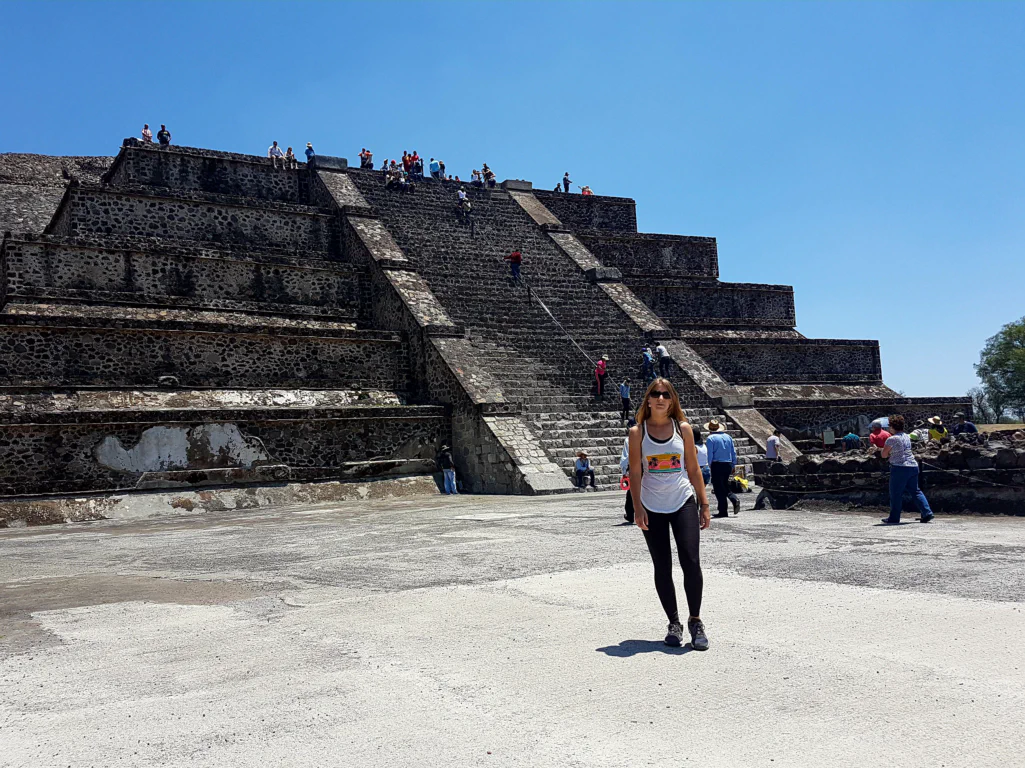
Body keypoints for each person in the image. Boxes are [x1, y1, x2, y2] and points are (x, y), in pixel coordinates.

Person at [628, 377, 711, 650]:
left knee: (691, 561)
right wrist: (637, 508)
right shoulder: (637, 433)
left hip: (683, 500)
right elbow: (636, 472)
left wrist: (705, 503)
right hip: (652, 505)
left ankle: (695, 621)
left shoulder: (683, 429)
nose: (661, 398)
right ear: (648, 400)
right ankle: (673, 623)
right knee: (662, 566)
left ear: (672, 400)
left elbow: (693, 468)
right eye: (656, 394)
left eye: (666, 394)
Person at [881, 414, 934, 524]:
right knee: (916, 491)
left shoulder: (891, 439)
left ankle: (894, 517)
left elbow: (884, 455)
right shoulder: (906, 436)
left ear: (892, 426)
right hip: (913, 466)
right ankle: (927, 512)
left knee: (896, 493)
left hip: (899, 467)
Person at [705, 419, 739, 518]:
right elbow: (733, 452)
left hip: (717, 464)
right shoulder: (728, 437)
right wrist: (733, 464)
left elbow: (710, 454)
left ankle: (726, 506)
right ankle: (725, 507)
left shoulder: (710, 438)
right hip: (727, 463)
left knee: (718, 488)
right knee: (724, 484)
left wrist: (709, 465)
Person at [619, 418, 637, 522]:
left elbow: (626, 457)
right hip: (646, 468)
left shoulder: (629, 439)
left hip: (634, 469)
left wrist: (624, 471)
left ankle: (630, 514)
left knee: (631, 493)